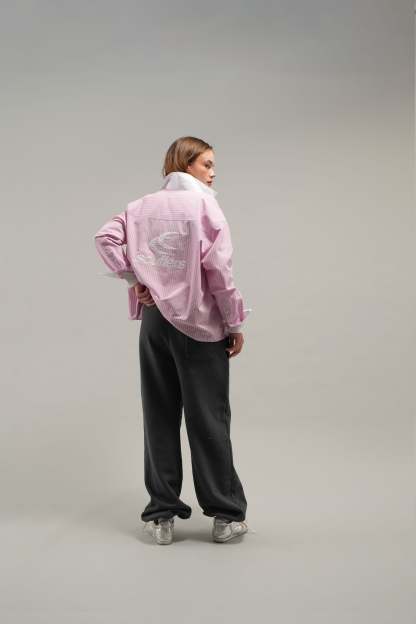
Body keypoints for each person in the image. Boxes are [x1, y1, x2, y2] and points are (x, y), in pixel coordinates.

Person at [94, 136, 252, 545]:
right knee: (208, 418)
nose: (213, 172)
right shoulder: (205, 207)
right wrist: (235, 322)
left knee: (159, 415)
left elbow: (105, 238)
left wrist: (135, 280)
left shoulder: (140, 206)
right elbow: (220, 273)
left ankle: (161, 516)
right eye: (207, 164)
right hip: (199, 324)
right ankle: (225, 514)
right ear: (186, 164)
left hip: (154, 324)